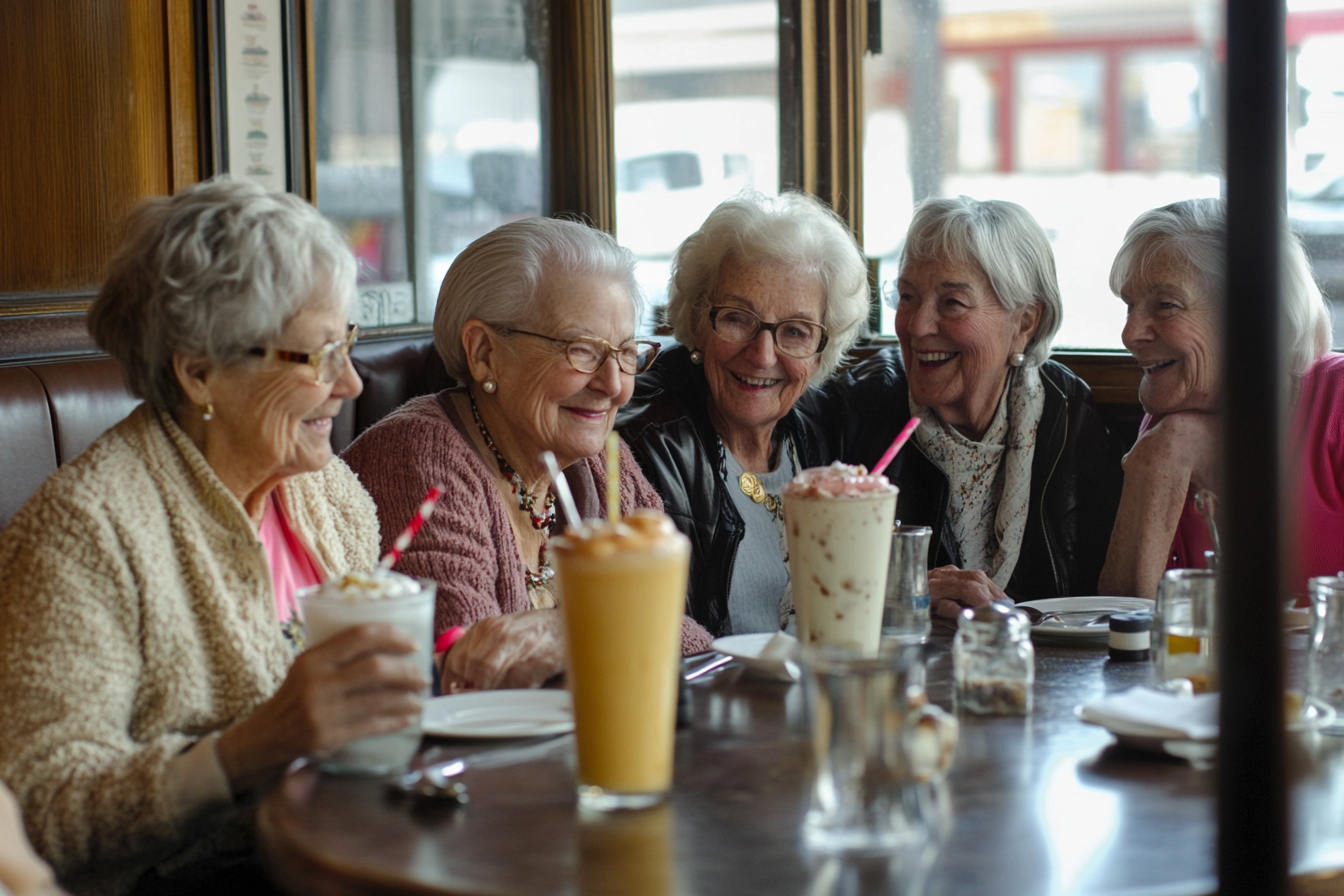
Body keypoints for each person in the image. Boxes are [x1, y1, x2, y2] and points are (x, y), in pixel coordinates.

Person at [0, 178, 427, 896]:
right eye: (318, 356)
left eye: (347, 344)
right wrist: (244, 752)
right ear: (199, 371)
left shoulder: (330, 495)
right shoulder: (85, 533)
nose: (350, 383)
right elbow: (41, 806)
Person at [343, 217, 713, 692]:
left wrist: (573, 630)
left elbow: (686, 640)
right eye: (582, 350)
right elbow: (472, 676)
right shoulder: (420, 459)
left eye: (626, 353)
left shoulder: (601, 465)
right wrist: (606, 627)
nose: (615, 386)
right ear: (483, 353)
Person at [828, 197, 1123, 619]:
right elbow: (807, 595)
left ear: (1024, 324)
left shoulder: (1068, 416)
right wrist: (900, 596)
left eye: (952, 303)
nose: (916, 325)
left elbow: (1097, 604)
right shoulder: (857, 409)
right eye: (907, 296)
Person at [617, 191, 871, 638]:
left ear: (820, 351)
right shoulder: (645, 446)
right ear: (697, 320)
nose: (762, 354)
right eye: (737, 318)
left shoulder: (822, 430)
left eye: (796, 331)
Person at [1098, 198, 1340, 600]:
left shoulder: (1338, 402)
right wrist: (1162, 458)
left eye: (1166, 305)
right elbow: (1124, 626)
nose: (1130, 333)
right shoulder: (1168, 416)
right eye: (1130, 306)